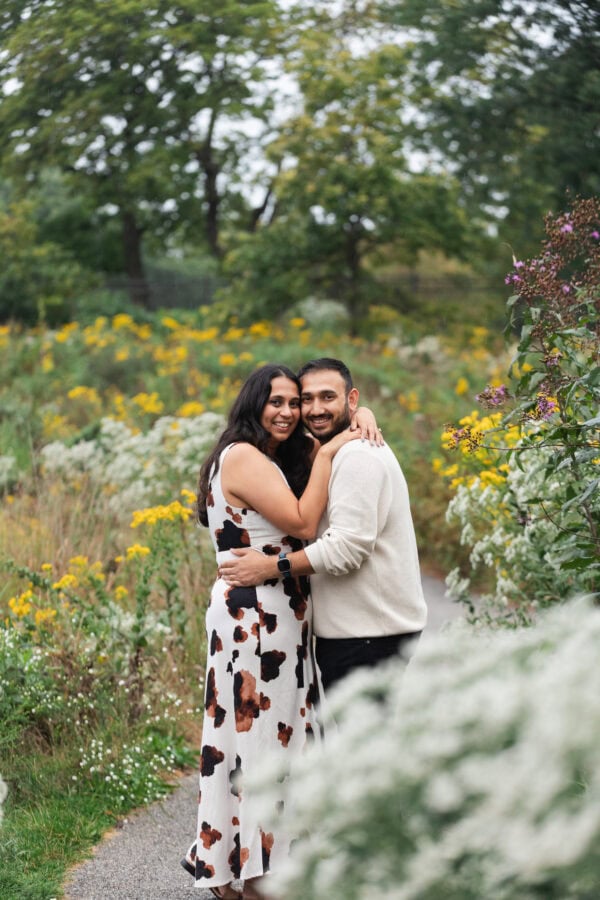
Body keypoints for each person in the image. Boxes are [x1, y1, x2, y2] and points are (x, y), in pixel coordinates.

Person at [181, 364, 371, 900]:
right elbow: (304, 523)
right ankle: (255, 872)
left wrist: (361, 416)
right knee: (258, 741)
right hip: (255, 619)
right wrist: (332, 452)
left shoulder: (268, 457)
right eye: (277, 402)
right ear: (253, 404)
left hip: (276, 616)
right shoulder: (242, 455)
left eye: (295, 402)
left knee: (273, 739)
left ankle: (252, 866)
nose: (289, 412)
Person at [220, 358, 427, 693]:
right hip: (358, 633)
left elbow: (345, 548)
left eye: (328, 397)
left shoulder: (357, 455)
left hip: (368, 635)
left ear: (352, 399)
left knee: (361, 743)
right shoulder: (330, 450)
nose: (315, 409)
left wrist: (270, 568)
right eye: (307, 399)